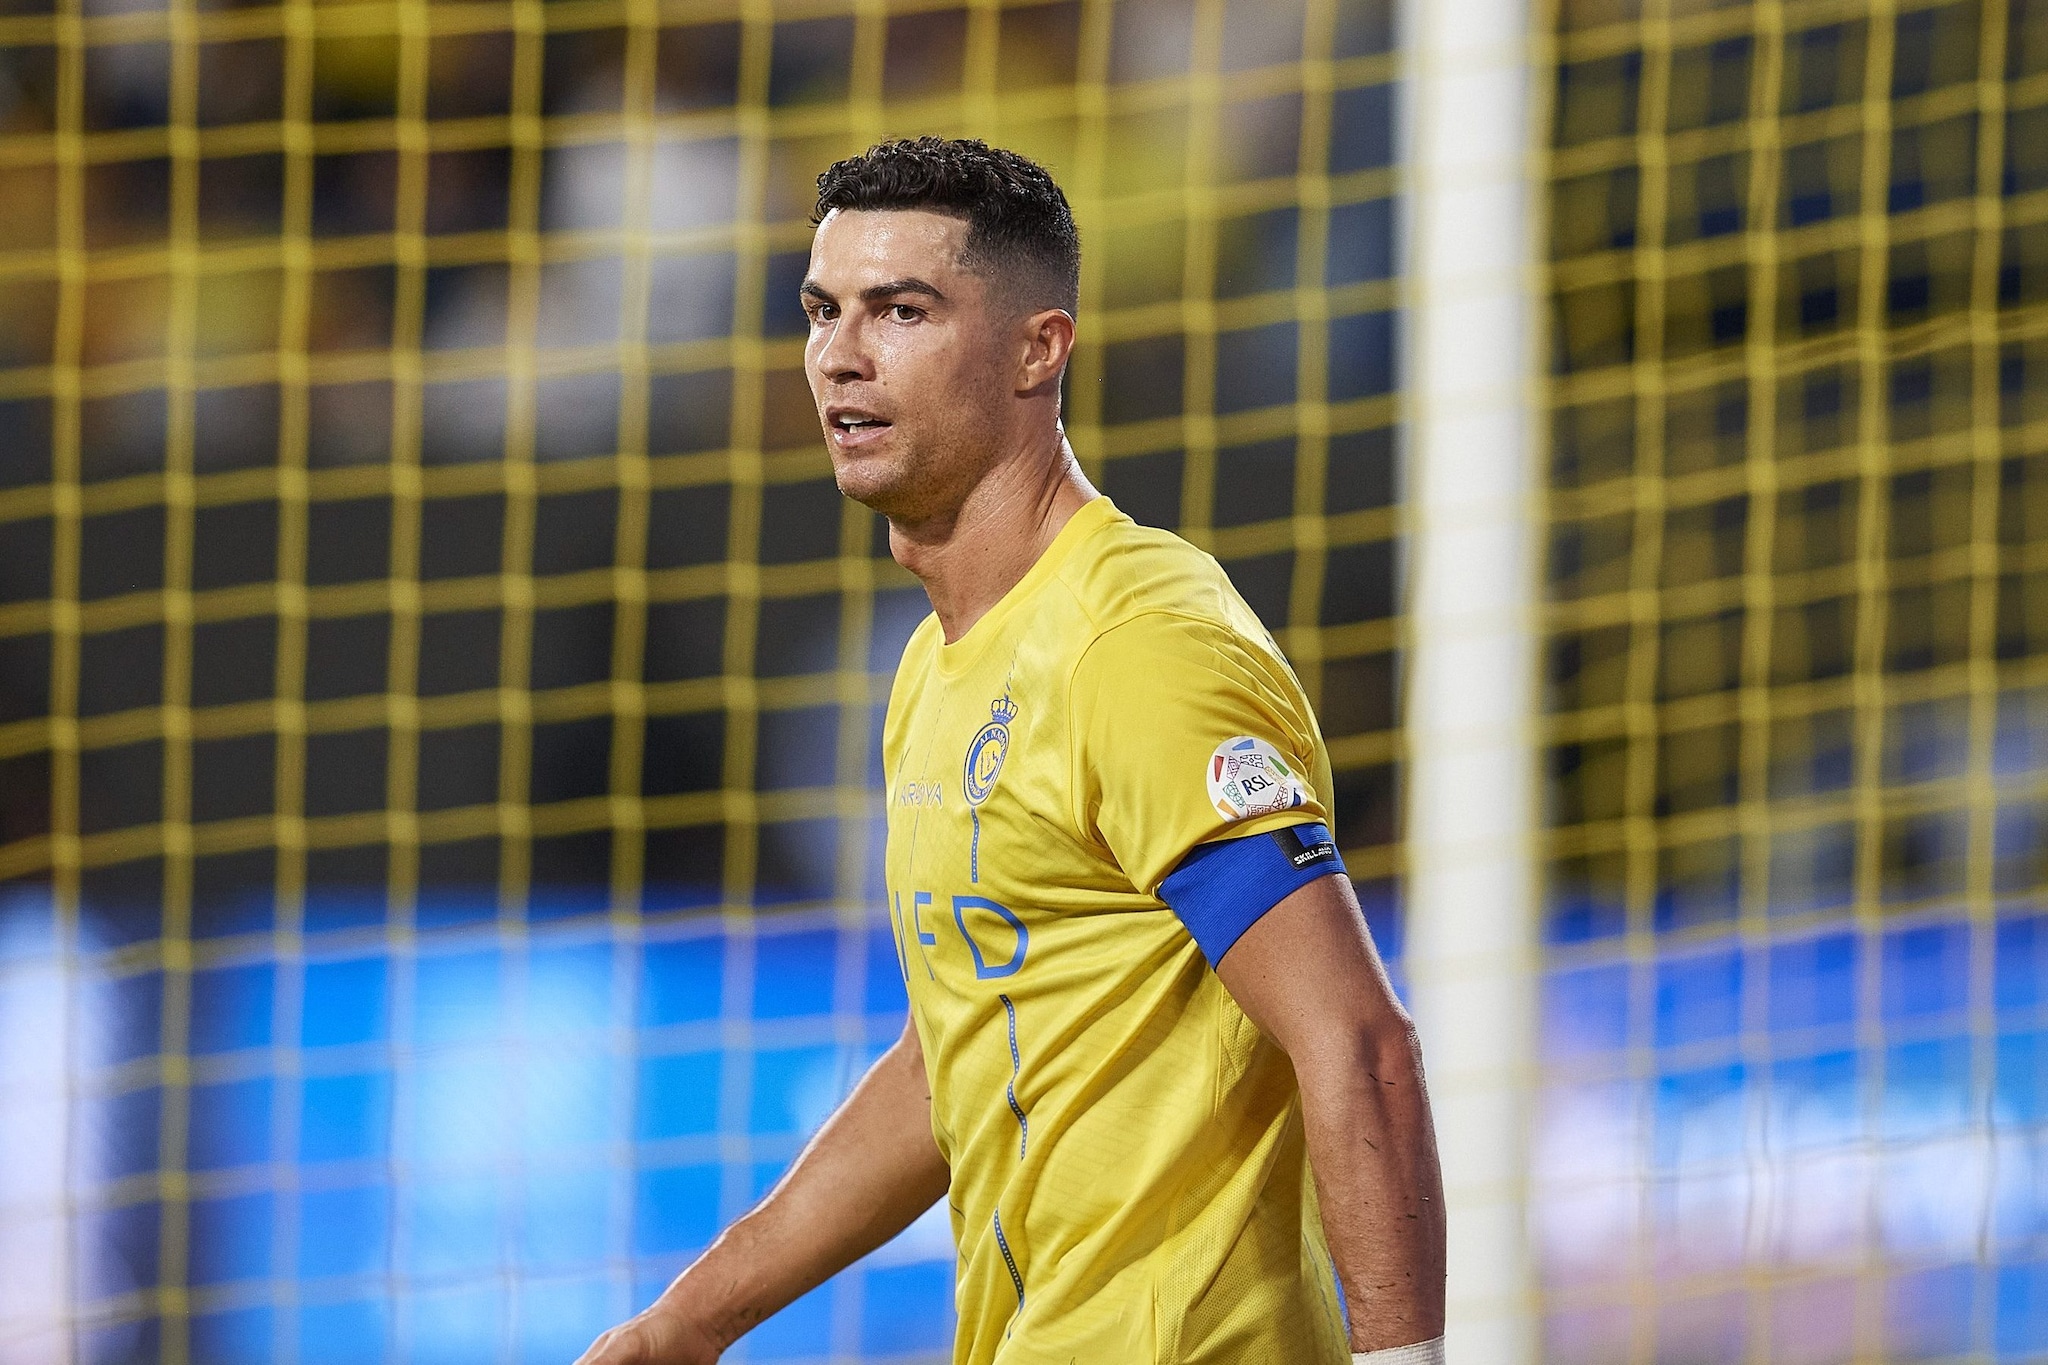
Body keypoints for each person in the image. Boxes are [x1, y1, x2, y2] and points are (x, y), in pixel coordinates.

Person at [577, 136, 1445, 1365]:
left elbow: (1356, 1039)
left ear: (1038, 349)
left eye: (902, 311)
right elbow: (962, 1052)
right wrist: (685, 1324)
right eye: (822, 311)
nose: (841, 355)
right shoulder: (939, 661)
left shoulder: (1139, 646)